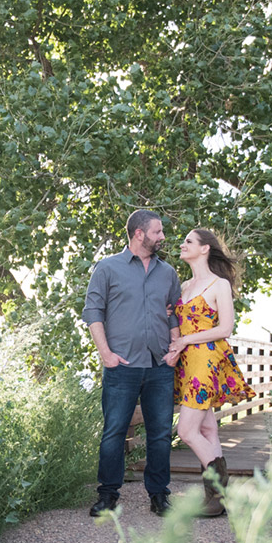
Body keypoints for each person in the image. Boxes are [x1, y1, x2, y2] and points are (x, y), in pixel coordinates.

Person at [81, 209, 182, 517]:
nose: (162, 237)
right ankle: (108, 495)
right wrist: (105, 354)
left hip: (159, 365)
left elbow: (174, 313)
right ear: (139, 234)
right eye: (157, 232)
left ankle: (159, 496)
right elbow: (92, 312)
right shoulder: (108, 268)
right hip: (121, 366)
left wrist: (175, 348)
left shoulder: (168, 273)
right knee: (114, 431)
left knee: (161, 433)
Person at [164, 228, 255, 517]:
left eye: (189, 241)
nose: (182, 244)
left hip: (206, 359)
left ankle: (220, 488)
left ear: (205, 249)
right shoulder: (183, 285)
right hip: (186, 360)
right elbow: (177, 323)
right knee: (207, 428)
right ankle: (216, 500)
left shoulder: (219, 285)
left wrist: (185, 341)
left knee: (186, 430)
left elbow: (225, 328)